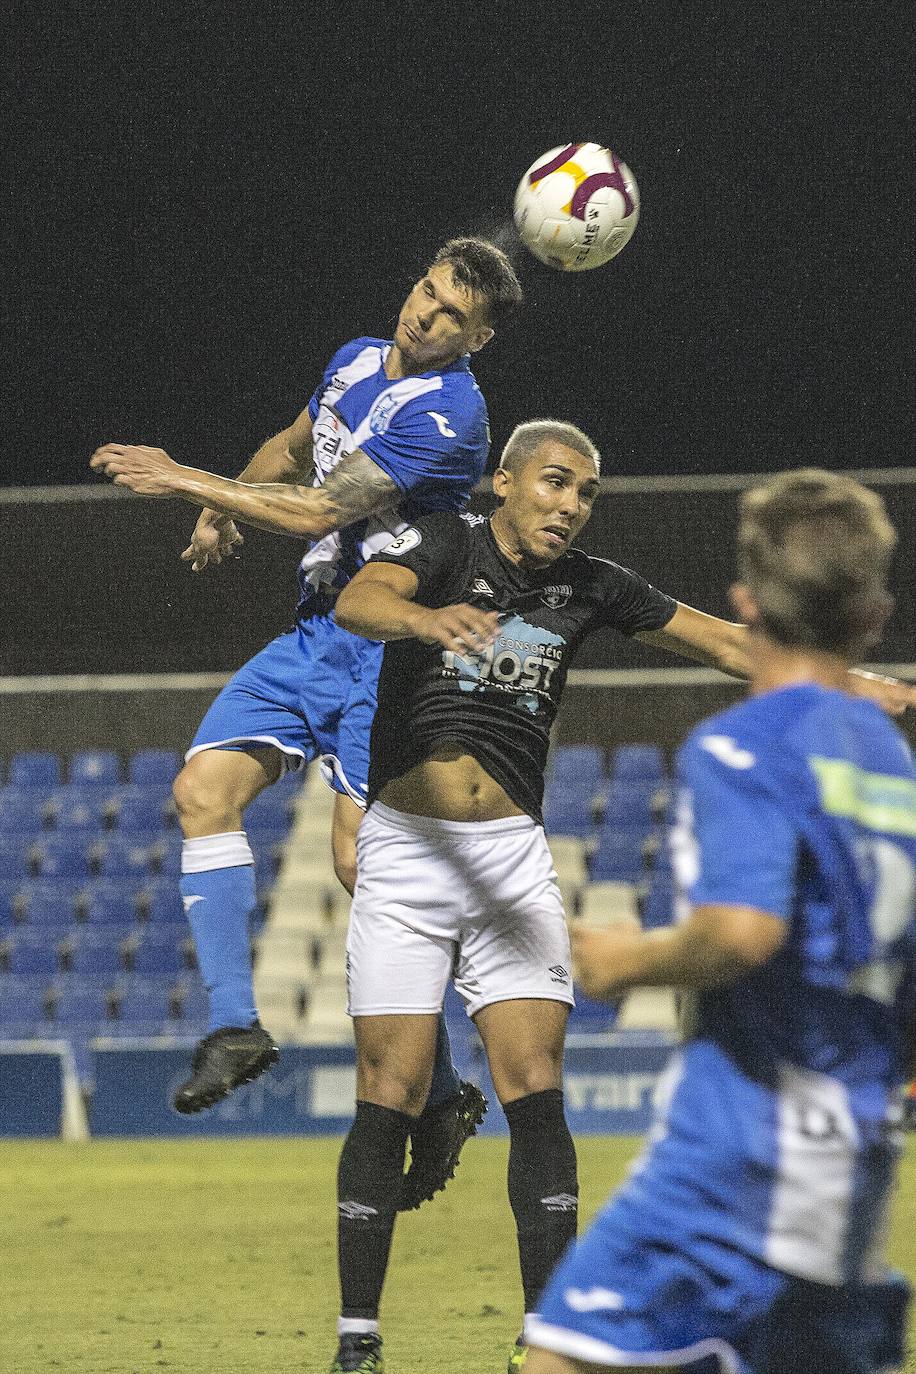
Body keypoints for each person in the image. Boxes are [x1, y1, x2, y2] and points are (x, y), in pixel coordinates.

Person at [89, 239, 523, 1201]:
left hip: (386, 647)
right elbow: (291, 450)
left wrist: (187, 479)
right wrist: (225, 509)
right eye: (425, 290)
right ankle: (235, 1026)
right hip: (315, 633)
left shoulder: (451, 415)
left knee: (360, 866)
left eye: (452, 315)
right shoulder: (354, 358)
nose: (425, 314)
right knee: (201, 790)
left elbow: (321, 507)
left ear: (478, 339)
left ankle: (443, 1092)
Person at [525, 469, 916, 1374]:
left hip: (738, 1152)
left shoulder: (745, 746)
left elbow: (743, 931)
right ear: (874, 618)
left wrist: (626, 960)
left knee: (557, 1359)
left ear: (745, 603)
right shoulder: (890, 764)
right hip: (851, 1157)